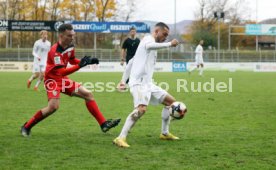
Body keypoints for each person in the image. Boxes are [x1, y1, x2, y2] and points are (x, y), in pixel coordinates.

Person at [20, 24, 120, 137]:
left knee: (88, 94)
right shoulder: (54, 51)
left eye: (73, 35)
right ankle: (26, 126)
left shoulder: (71, 45)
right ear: (61, 35)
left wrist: (86, 61)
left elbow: (72, 60)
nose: (72, 38)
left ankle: (103, 124)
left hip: (61, 79)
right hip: (52, 80)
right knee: (53, 107)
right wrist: (80, 66)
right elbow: (62, 71)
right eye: (69, 35)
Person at [113, 22, 184, 148]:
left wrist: (123, 81)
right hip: (138, 83)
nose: (165, 37)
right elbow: (151, 46)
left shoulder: (149, 46)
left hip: (148, 83)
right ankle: (120, 137)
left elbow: (130, 62)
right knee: (141, 110)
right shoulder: (147, 40)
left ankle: (165, 133)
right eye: (164, 34)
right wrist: (169, 44)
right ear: (156, 31)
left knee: (171, 103)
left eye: (167, 36)